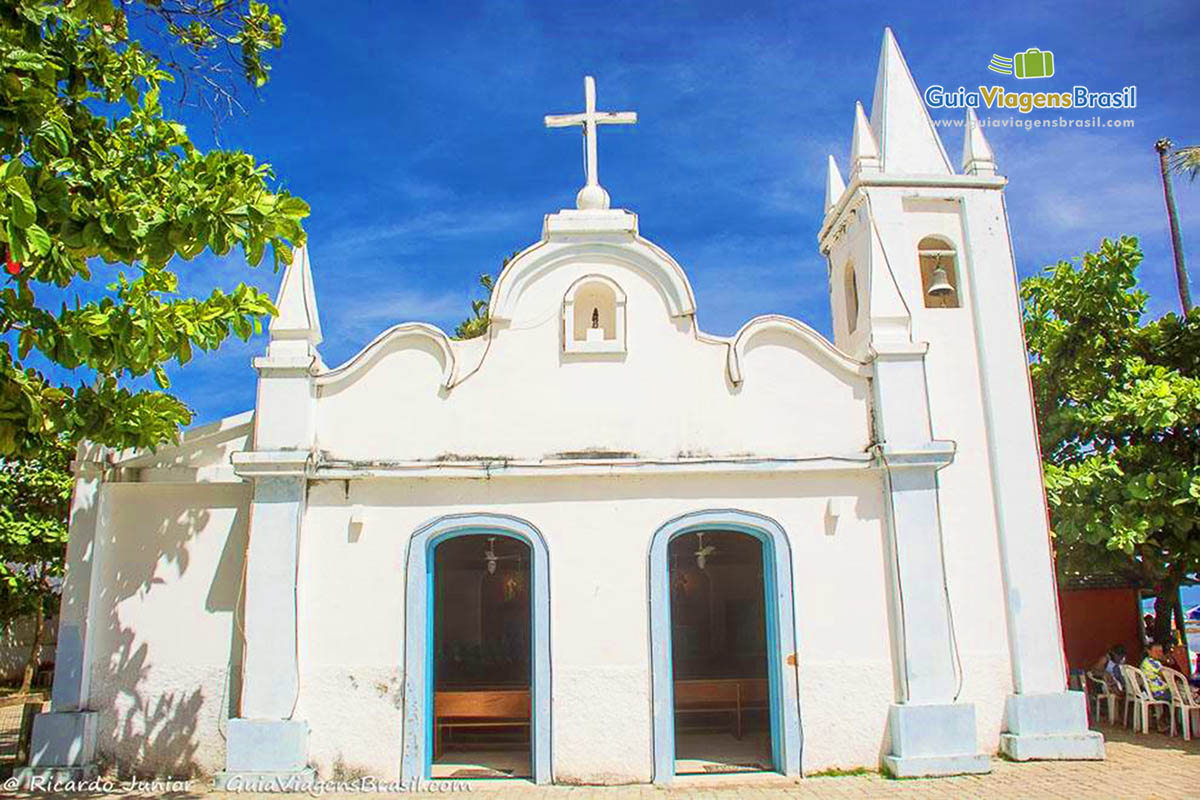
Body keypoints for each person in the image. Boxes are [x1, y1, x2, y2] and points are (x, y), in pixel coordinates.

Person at [1140, 641, 1172, 732]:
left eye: (1161, 651)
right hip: (1157, 692)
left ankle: (1165, 720)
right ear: (1149, 651)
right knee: (1178, 697)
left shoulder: (1146, 661)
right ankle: (1163, 721)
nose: (1159, 654)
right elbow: (1166, 676)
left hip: (1152, 691)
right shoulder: (1154, 663)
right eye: (1156, 651)